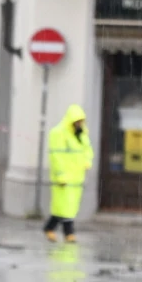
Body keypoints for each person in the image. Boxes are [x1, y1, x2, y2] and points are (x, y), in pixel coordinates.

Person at [44, 104, 94, 243]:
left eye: (81, 121)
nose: (79, 124)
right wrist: (60, 174)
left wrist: (87, 161)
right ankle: (69, 233)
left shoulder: (82, 134)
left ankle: (49, 228)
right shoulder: (58, 133)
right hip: (64, 177)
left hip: (76, 177)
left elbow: (87, 149)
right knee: (64, 206)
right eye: (77, 121)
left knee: (68, 207)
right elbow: (56, 156)